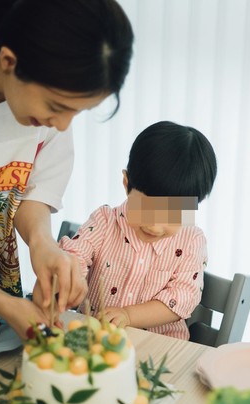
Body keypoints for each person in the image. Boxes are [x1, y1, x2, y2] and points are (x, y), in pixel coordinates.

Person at [0, 0, 134, 338]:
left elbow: (30, 192)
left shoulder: (44, 86)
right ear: (9, 61)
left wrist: (42, 243)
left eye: (76, 113)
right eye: (57, 107)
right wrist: (3, 304)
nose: (62, 126)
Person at [59, 121, 218, 340]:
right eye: (147, 209)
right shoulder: (105, 221)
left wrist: (129, 315)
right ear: (126, 184)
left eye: (172, 214)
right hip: (94, 340)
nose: (154, 226)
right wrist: (69, 276)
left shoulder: (192, 240)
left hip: (160, 349)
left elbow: (183, 297)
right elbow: (75, 254)